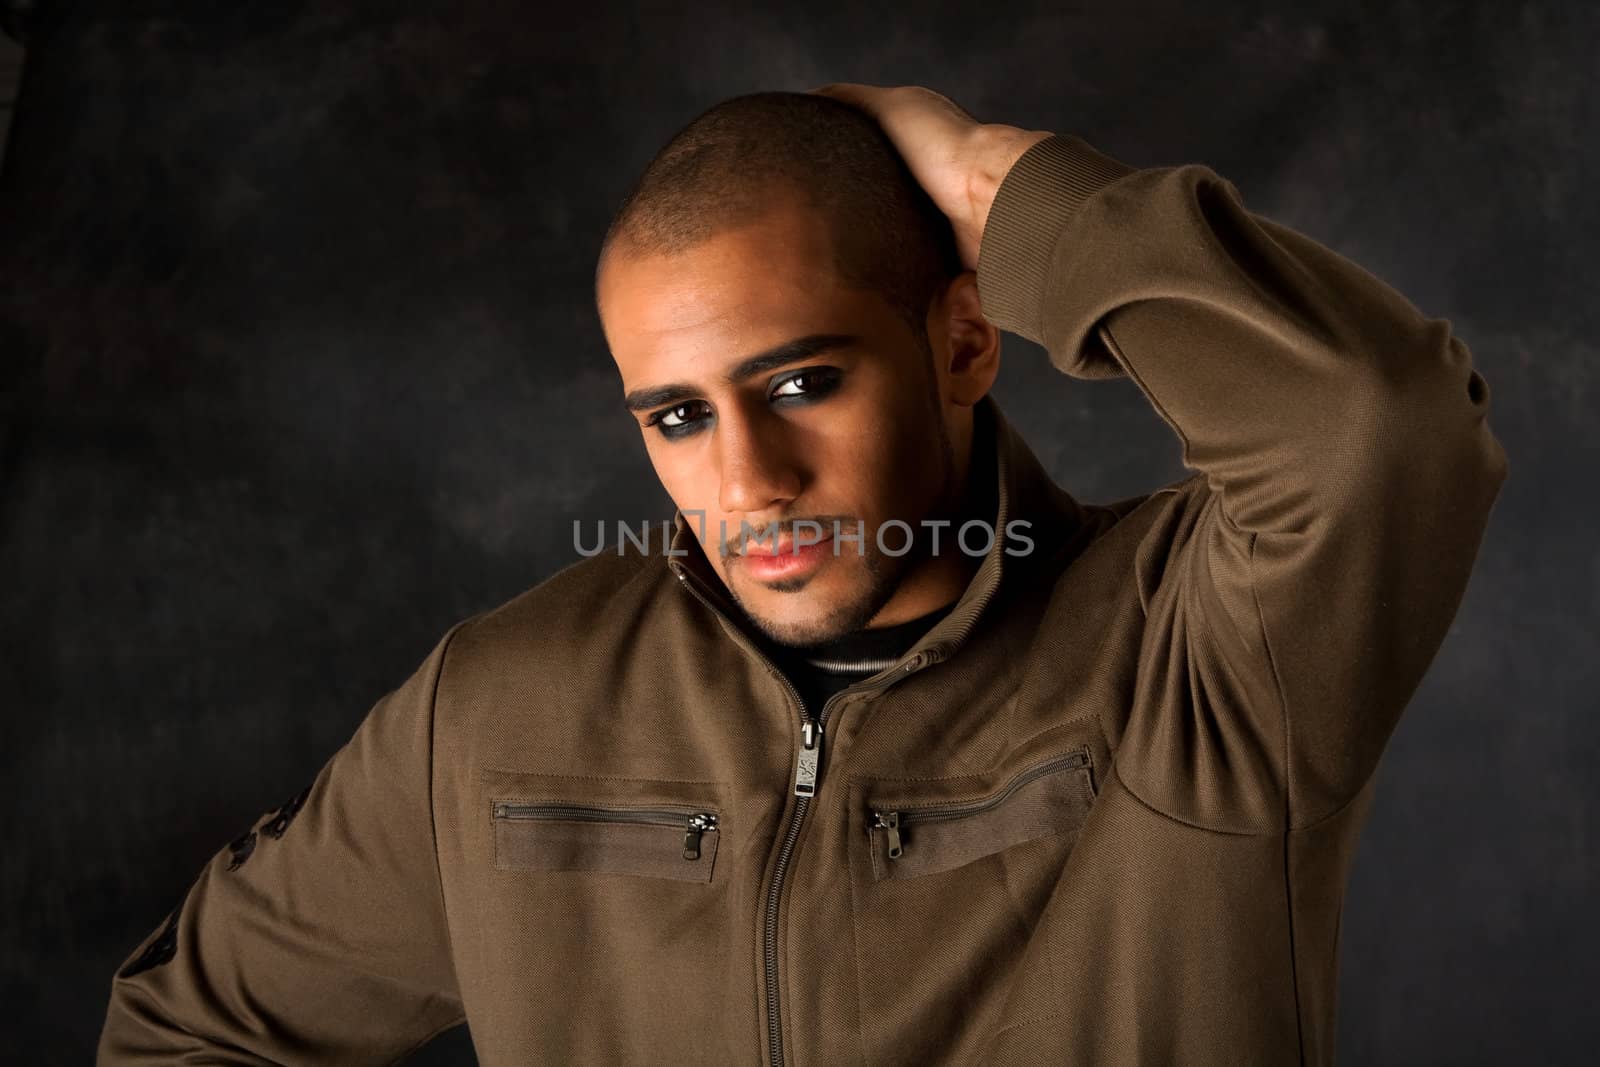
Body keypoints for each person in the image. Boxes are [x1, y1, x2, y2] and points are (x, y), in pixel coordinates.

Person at [97, 83, 1508, 1066]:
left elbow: (1381, 431)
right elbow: (190, 1035)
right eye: (678, 416)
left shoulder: (1202, 655)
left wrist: (991, 183)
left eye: (804, 382)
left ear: (963, 345)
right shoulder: (501, 712)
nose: (748, 481)